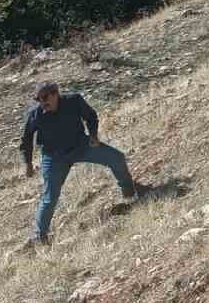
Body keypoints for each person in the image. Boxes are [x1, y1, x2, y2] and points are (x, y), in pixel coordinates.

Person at [20, 81, 135, 246]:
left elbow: (91, 116)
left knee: (116, 158)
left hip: (81, 146)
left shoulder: (74, 101)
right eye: (38, 99)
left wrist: (93, 135)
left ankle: (130, 192)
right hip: (54, 157)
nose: (42, 102)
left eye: (45, 97)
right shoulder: (35, 114)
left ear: (56, 93)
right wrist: (28, 163)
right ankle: (40, 238)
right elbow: (26, 139)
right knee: (49, 197)